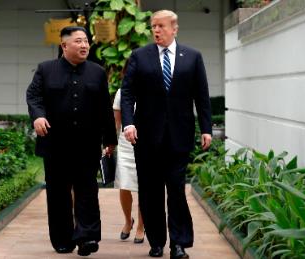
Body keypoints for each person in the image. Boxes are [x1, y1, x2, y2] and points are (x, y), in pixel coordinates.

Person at [121, 10, 212, 259]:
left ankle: (179, 244)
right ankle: (157, 241)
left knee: (176, 190)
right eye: (153, 27)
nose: (156, 31)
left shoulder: (193, 57)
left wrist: (206, 128)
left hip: (178, 137)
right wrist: (128, 123)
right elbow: (127, 93)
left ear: (175, 28)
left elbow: (201, 96)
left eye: (161, 26)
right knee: (150, 192)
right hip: (146, 138)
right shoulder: (140, 56)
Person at [26, 26, 117, 257]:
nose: (84, 45)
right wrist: (38, 116)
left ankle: (87, 237)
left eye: (86, 41)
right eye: (78, 41)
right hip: (55, 144)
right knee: (58, 193)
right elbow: (34, 96)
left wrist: (109, 139)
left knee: (87, 190)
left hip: (87, 144)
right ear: (64, 45)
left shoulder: (97, 72)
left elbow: (105, 108)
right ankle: (63, 239)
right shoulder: (46, 70)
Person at [112, 88, 145, 244]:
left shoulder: (154, 86)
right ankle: (127, 221)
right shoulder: (122, 92)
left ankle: (140, 226)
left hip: (147, 142)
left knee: (144, 187)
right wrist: (109, 143)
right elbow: (117, 122)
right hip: (125, 144)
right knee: (124, 186)